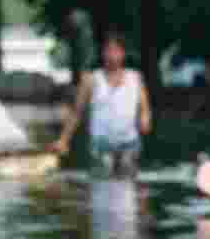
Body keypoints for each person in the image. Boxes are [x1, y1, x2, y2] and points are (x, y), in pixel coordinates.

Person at [52, 33, 151, 177]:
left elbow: (145, 108)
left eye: (116, 51)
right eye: (108, 50)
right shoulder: (91, 80)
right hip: (101, 146)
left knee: (128, 188)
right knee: (102, 185)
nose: (112, 55)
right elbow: (76, 113)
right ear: (102, 53)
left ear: (123, 54)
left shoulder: (135, 78)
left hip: (129, 144)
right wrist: (63, 140)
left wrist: (145, 119)